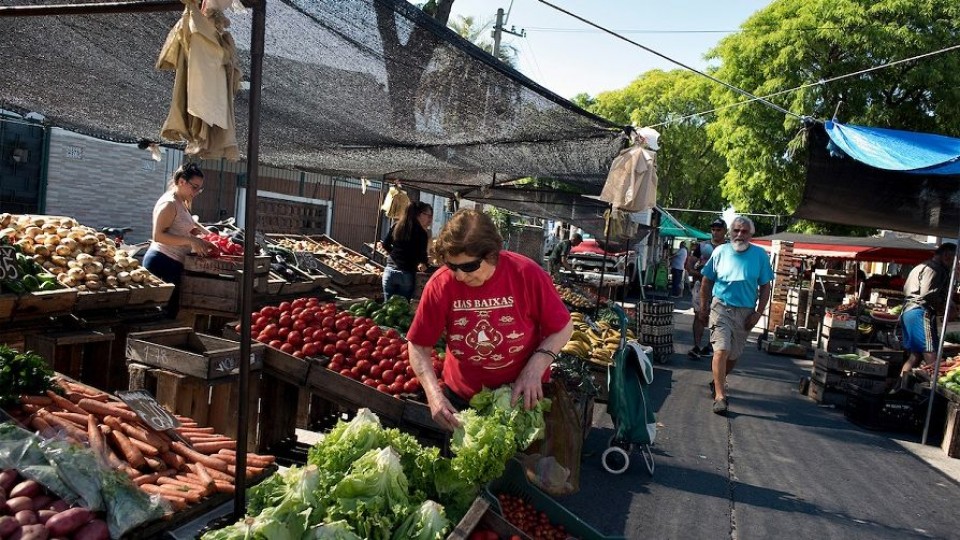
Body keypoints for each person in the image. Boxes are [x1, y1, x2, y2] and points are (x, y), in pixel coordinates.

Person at [406, 210, 574, 431]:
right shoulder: (440, 284)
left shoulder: (527, 274)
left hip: (521, 397)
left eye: (468, 267)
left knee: (522, 464)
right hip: (463, 402)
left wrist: (536, 367)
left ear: (492, 254)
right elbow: (418, 344)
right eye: (452, 266)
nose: (460, 276)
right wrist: (433, 394)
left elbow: (563, 327)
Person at [698, 216, 773, 415]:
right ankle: (720, 396)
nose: (739, 235)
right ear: (730, 232)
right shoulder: (720, 252)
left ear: (751, 234)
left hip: (746, 312)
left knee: (734, 354)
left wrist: (758, 313)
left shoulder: (760, 255)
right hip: (721, 307)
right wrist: (703, 308)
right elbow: (706, 281)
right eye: (736, 231)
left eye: (744, 231)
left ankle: (717, 381)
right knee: (721, 349)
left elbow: (766, 287)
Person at [143, 162, 216, 318]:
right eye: (194, 187)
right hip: (161, 263)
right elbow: (158, 236)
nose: (196, 192)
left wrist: (204, 234)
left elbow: (187, 222)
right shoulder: (169, 204)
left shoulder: (181, 201)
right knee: (160, 316)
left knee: (171, 313)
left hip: (173, 264)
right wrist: (191, 241)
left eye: (199, 189)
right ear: (182, 181)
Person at [899, 243, 957, 381]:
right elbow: (927, 294)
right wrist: (944, 307)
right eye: (955, 258)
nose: (955, 263)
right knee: (930, 352)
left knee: (915, 356)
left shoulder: (921, 266)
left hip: (908, 311)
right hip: (920, 311)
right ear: (947, 255)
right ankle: (934, 388)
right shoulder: (936, 269)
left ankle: (900, 386)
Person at [685, 219, 728, 359]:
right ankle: (696, 346)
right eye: (713, 229)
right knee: (699, 315)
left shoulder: (729, 248)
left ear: (725, 231)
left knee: (716, 317)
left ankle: (710, 346)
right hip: (701, 283)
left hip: (720, 287)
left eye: (718, 230)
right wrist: (691, 269)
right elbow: (691, 261)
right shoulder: (702, 246)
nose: (715, 232)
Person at [381, 201, 433, 300]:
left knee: (387, 308)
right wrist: (425, 262)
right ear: (419, 214)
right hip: (406, 274)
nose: (429, 219)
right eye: (428, 216)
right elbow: (422, 257)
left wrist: (395, 256)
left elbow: (385, 244)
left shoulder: (397, 226)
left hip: (389, 271)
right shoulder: (421, 233)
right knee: (402, 309)